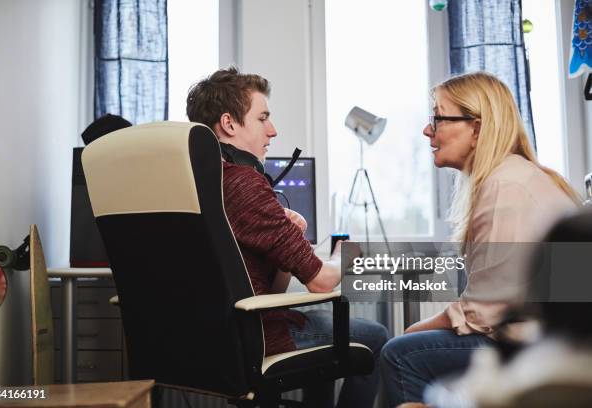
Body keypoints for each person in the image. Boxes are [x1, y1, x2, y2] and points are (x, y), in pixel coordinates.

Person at [186, 67, 389, 408]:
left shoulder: (201, 183)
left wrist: (284, 244)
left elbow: (265, 293)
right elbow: (322, 283)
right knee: (377, 337)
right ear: (229, 123)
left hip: (215, 337)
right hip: (256, 338)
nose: (273, 130)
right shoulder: (244, 183)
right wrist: (348, 255)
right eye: (262, 118)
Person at [380, 71, 580, 407]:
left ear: (476, 128)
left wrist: (412, 331)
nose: (428, 130)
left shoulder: (506, 185)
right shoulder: (512, 176)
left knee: (400, 353)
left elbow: (481, 313)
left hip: (542, 344)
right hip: (547, 336)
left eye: (438, 118)